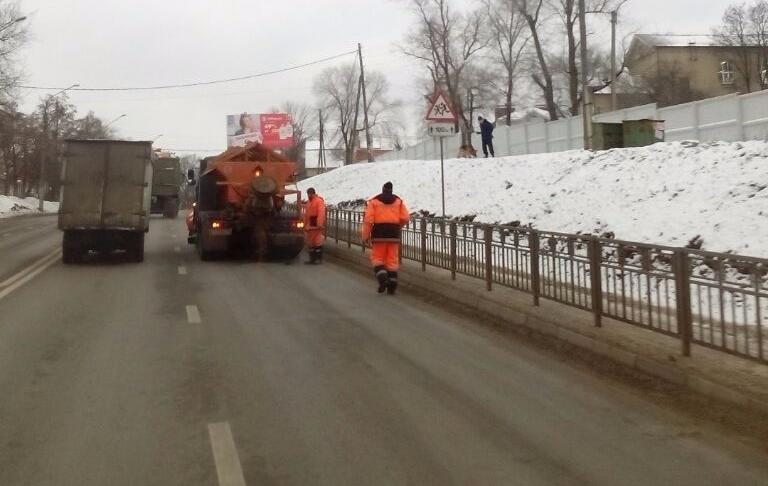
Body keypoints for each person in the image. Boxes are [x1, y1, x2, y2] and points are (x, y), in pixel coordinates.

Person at [361, 182, 410, 294]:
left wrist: (365, 236)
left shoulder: (374, 202)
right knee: (392, 260)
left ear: (382, 189)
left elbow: (368, 220)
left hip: (379, 233)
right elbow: (405, 217)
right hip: (393, 234)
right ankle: (392, 287)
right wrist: (398, 226)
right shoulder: (398, 201)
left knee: (378, 258)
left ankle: (383, 279)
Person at [303, 188, 326, 264]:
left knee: (317, 242)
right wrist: (305, 224)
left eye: (310, 194)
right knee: (311, 243)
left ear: (313, 193)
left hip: (316, 224)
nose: (309, 195)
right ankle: (312, 259)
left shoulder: (319, 201)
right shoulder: (309, 202)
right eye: (308, 194)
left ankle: (318, 259)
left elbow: (321, 213)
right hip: (310, 224)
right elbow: (306, 215)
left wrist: (319, 223)